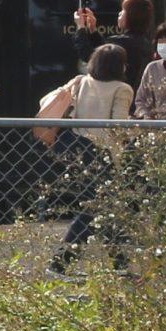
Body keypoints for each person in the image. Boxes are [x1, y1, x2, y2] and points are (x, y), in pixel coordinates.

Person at [40, 44, 133, 272]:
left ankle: (120, 264)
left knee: (101, 206)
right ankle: (59, 263)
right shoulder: (123, 88)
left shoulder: (80, 81)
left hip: (72, 147)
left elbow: (51, 100)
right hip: (100, 152)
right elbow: (118, 125)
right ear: (120, 65)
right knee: (96, 207)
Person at [73, 0, 157, 90]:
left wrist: (80, 28)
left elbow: (90, 55)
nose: (119, 14)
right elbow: (102, 49)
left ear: (132, 15)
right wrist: (93, 29)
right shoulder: (144, 42)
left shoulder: (121, 43)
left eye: (123, 11)